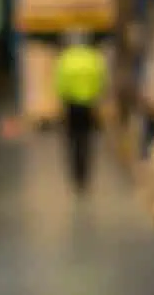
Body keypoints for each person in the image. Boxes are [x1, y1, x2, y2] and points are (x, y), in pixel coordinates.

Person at [53, 30, 107, 193]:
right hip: (89, 104)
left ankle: (76, 174)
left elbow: (60, 83)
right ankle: (85, 175)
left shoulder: (65, 58)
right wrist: (96, 96)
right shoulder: (93, 58)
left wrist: (62, 100)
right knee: (87, 140)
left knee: (73, 140)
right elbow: (101, 80)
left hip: (71, 105)